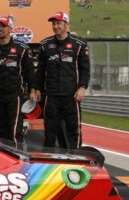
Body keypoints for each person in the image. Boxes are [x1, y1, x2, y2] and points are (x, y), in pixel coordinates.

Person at [36, 11, 90, 149]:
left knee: (74, 130)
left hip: (71, 95)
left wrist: (82, 88)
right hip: (51, 95)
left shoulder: (79, 44)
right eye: (53, 24)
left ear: (66, 25)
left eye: (58, 23)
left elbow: (85, 69)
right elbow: (40, 70)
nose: (55, 26)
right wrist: (37, 88)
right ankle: (48, 159)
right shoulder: (45, 44)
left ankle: (76, 159)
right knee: (49, 132)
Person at [0, 15, 38, 144]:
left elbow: (30, 71)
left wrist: (33, 90)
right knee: (1, 132)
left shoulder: (22, 48)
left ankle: (17, 161)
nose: (0, 29)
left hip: (15, 96)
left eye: (3, 26)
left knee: (14, 131)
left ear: (10, 28)